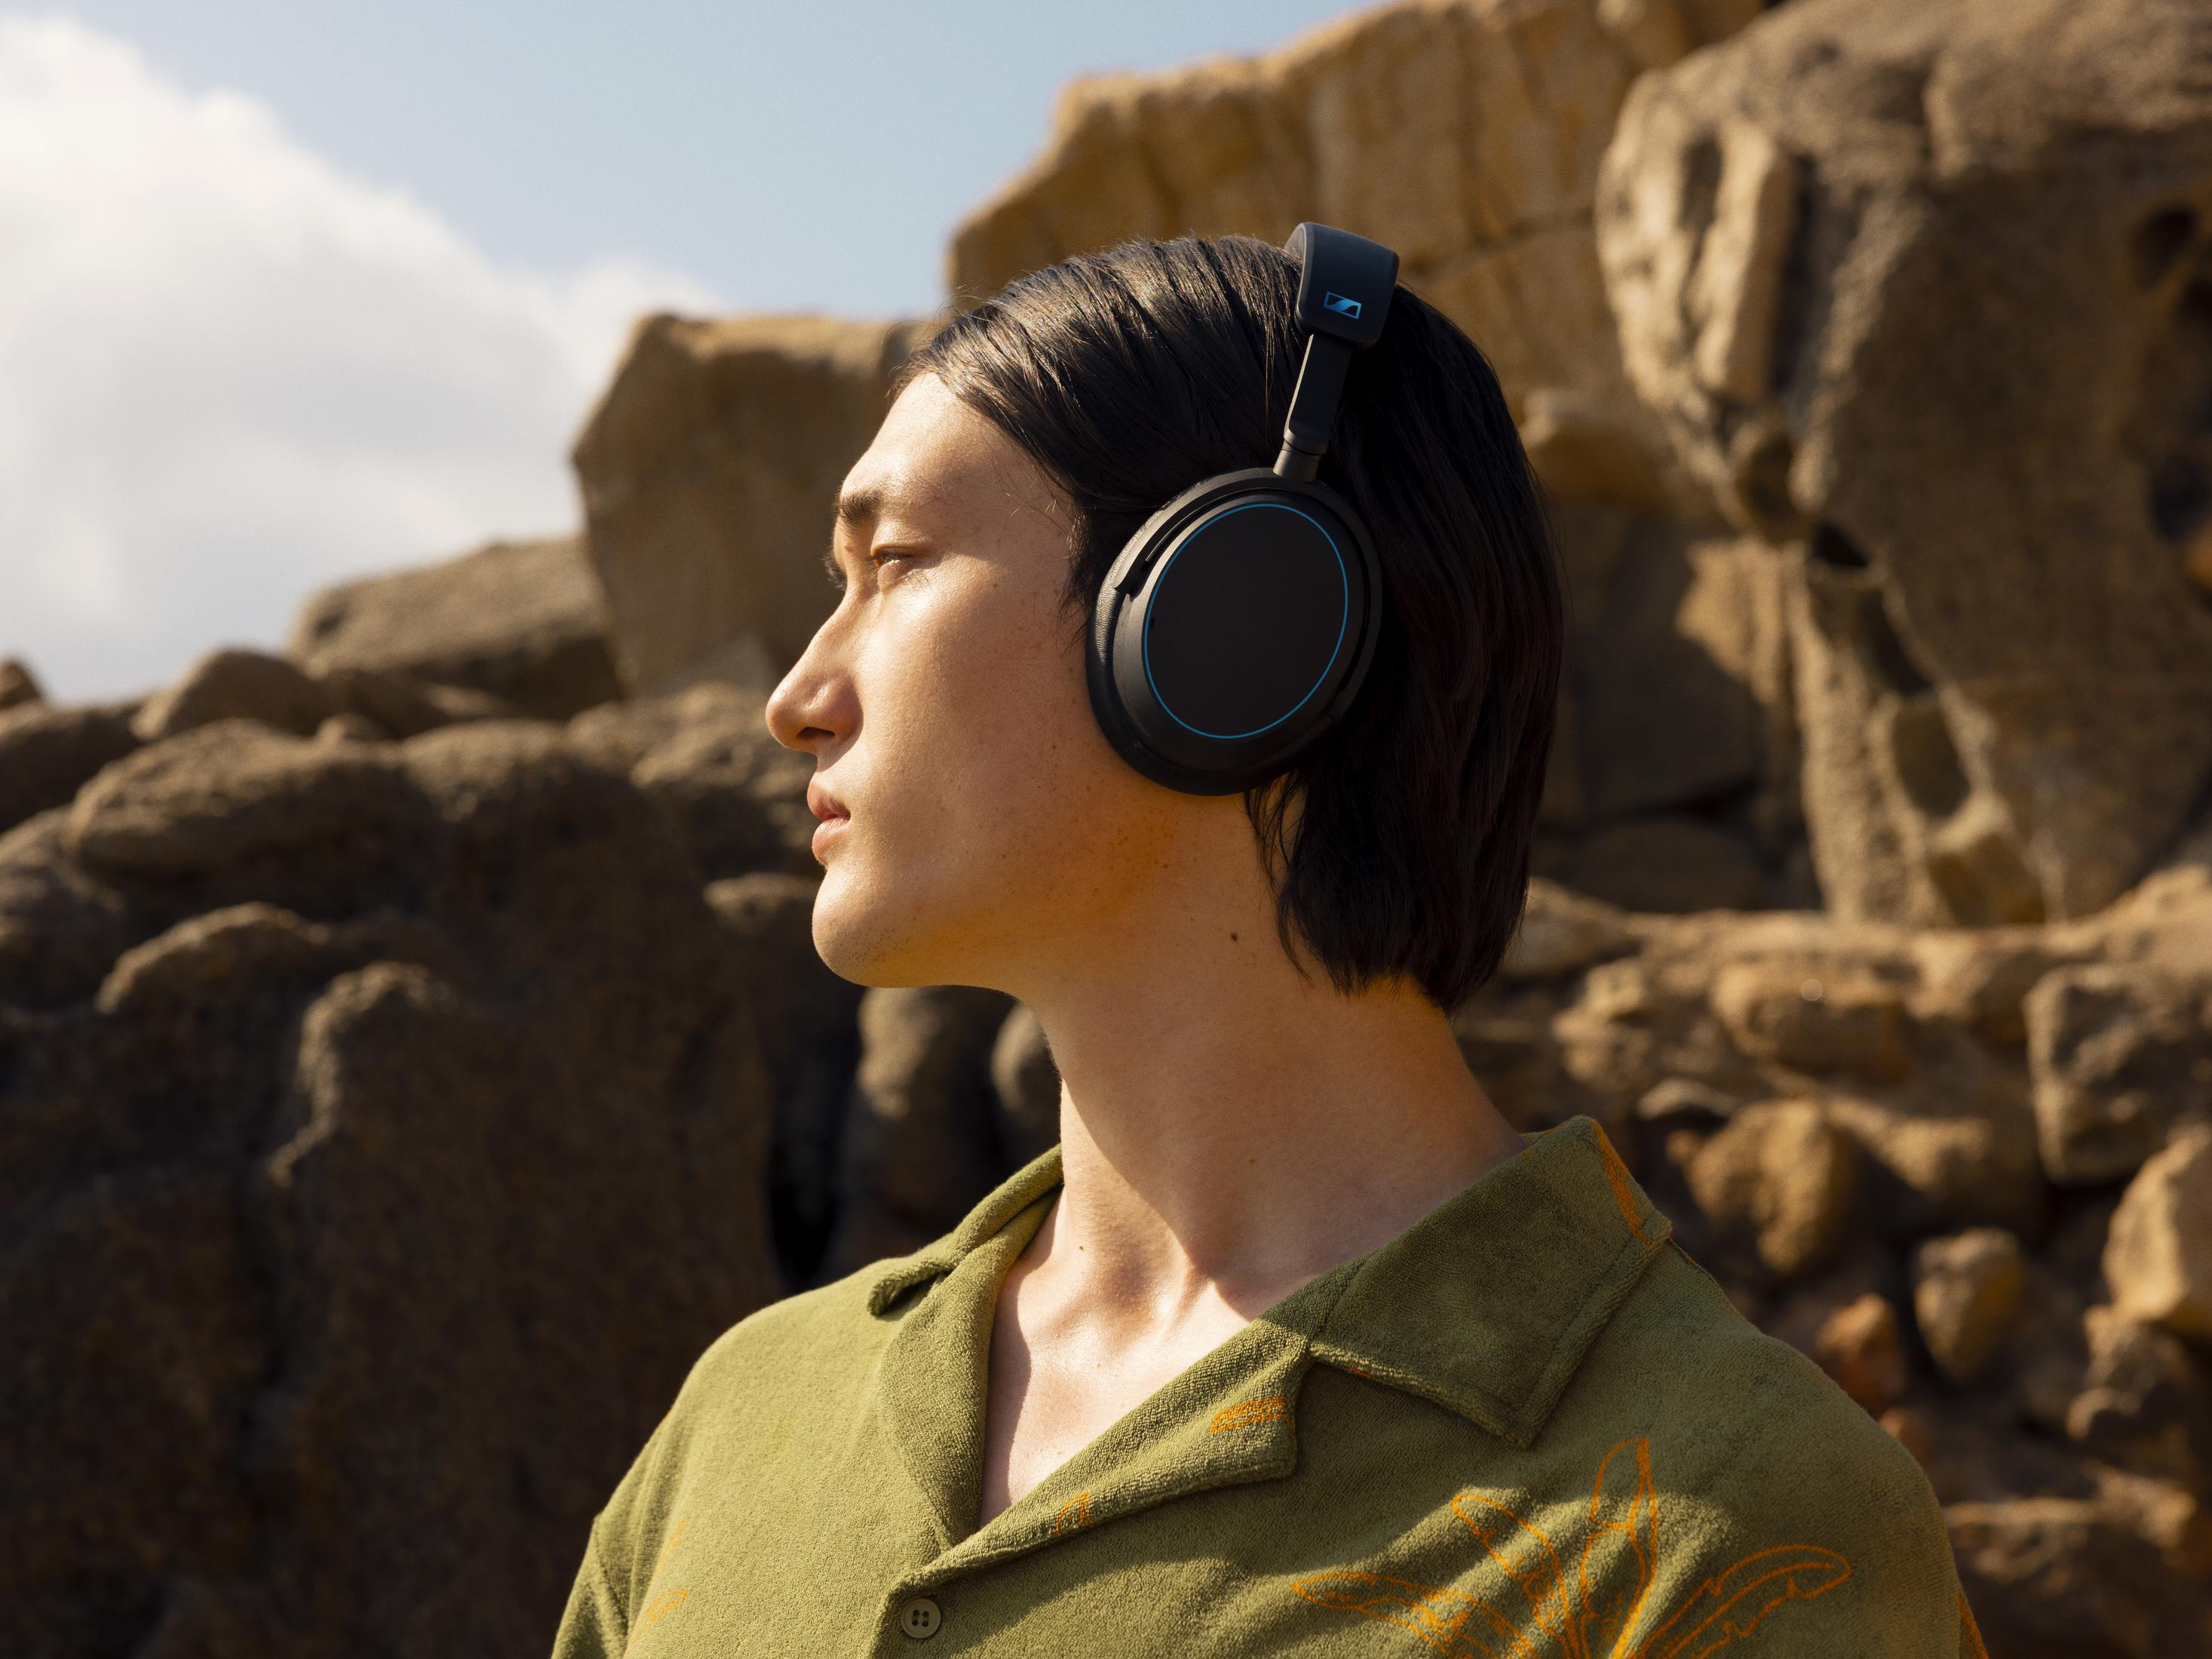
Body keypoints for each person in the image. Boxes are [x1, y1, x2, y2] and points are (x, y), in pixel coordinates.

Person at [550, 229, 1984, 1657]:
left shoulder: (1728, 1522)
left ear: (1233, 623)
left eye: (898, 563)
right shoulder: (746, 1418)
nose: (798, 696)